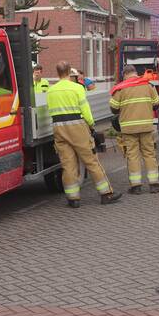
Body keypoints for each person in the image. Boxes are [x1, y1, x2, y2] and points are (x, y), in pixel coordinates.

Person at [47, 60, 122, 208]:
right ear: (69, 72)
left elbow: (51, 111)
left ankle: (73, 198)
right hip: (77, 126)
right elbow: (85, 109)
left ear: (57, 73)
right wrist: (91, 125)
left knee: (68, 164)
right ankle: (106, 193)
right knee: (91, 160)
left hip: (58, 128)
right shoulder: (76, 88)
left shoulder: (51, 90)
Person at [110, 64, 159, 194]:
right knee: (149, 154)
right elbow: (156, 103)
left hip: (128, 128)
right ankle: (154, 184)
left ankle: (136, 186)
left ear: (124, 74)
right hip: (146, 126)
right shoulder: (148, 86)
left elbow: (114, 108)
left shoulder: (120, 89)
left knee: (133, 156)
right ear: (135, 73)